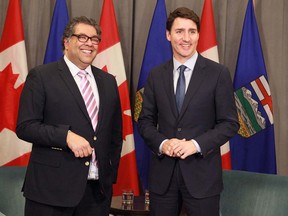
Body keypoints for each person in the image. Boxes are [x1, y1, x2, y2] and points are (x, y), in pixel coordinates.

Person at [137, 7, 239, 216]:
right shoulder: (156, 75)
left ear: (198, 35)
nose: (186, 38)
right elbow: (145, 121)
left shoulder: (218, 73)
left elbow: (229, 123)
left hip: (202, 178)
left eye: (192, 31)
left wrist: (195, 145)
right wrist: (163, 144)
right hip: (163, 178)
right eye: (179, 31)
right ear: (168, 35)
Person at [16, 16, 122, 216]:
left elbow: (114, 136)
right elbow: (25, 126)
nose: (89, 43)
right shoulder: (42, 76)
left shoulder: (108, 82)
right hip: (51, 193)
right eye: (82, 37)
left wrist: (108, 177)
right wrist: (66, 136)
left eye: (94, 39)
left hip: (96, 194)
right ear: (66, 42)